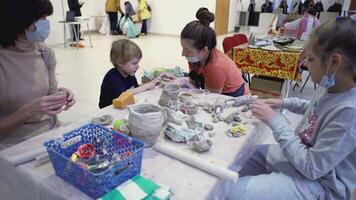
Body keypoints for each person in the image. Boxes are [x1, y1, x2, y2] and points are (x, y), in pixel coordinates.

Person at [226, 15, 356, 200]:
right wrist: (284, 103)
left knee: (229, 193)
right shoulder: (331, 84)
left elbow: (312, 168)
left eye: (310, 59)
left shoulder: (350, 113)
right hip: (299, 157)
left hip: (321, 184)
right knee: (235, 160)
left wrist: (275, 121)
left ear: (334, 62)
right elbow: (315, 109)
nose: (304, 65)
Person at [0, 0, 76, 149]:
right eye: (41, 19)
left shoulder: (45, 53)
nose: (46, 24)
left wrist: (62, 96)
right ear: (20, 20)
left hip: (49, 134)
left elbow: (50, 97)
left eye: (46, 18)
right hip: (12, 146)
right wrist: (28, 111)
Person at [176, 7, 248, 97]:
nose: (183, 54)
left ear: (204, 50)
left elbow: (210, 100)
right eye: (183, 48)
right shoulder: (194, 57)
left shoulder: (216, 67)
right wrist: (188, 84)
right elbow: (194, 82)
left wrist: (189, 86)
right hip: (212, 91)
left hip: (232, 96)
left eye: (187, 50)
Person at [99, 39, 162, 108]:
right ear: (120, 62)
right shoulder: (112, 77)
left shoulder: (129, 73)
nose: (138, 66)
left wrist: (152, 83)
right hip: (109, 110)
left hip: (122, 106)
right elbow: (124, 94)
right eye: (134, 63)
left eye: (138, 62)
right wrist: (147, 86)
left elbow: (135, 88)